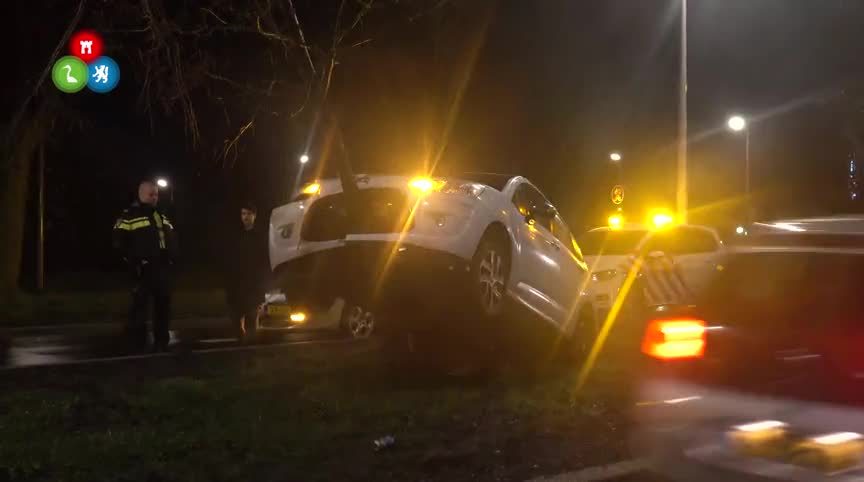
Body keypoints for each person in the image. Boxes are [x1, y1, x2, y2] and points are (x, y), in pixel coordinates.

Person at [113, 179, 179, 352]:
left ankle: (161, 342)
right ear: (142, 194)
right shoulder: (129, 215)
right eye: (152, 194)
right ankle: (136, 344)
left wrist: (171, 258)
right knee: (139, 308)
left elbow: (171, 238)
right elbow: (119, 242)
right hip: (143, 269)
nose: (155, 197)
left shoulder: (161, 215)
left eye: (156, 194)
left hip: (162, 268)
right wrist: (134, 262)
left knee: (163, 307)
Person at [224, 201, 270, 341]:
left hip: (254, 283)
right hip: (237, 283)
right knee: (236, 317)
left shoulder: (260, 236)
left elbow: (264, 260)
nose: (245, 217)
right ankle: (241, 341)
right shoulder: (235, 235)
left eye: (249, 214)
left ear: (254, 216)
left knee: (252, 317)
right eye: (243, 213)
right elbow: (230, 258)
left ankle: (251, 350)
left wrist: (263, 283)